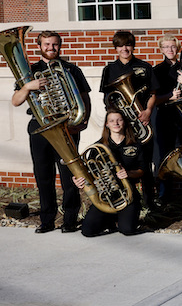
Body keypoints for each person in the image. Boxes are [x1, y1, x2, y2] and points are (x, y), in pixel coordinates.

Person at [11, 30, 91, 233]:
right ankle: (47, 220)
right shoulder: (29, 71)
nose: (51, 48)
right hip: (40, 128)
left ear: (60, 46)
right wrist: (29, 86)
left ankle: (70, 220)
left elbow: (84, 98)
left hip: (67, 127)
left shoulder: (72, 69)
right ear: (39, 46)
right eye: (46, 44)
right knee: (43, 176)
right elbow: (16, 100)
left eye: (54, 44)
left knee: (69, 177)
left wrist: (83, 121)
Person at [99, 30, 158, 208]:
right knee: (119, 161)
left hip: (141, 121)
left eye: (128, 45)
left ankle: (149, 202)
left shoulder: (145, 66)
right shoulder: (109, 69)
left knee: (145, 163)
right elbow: (107, 98)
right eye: (121, 45)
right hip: (119, 125)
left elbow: (153, 93)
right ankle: (122, 198)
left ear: (133, 46)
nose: (125, 49)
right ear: (116, 48)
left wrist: (148, 110)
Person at [72, 110, 143, 237]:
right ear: (106, 124)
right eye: (111, 121)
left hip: (128, 194)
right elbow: (87, 172)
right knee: (87, 231)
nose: (116, 123)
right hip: (105, 197)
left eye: (119, 120)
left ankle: (120, 218)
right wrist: (78, 180)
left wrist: (129, 173)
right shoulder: (98, 147)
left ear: (124, 123)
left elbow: (142, 170)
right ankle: (110, 219)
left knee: (127, 230)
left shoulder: (136, 145)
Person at [152, 35, 182, 204]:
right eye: (166, 47)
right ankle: (162, 197)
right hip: (163, 118)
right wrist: (169, 96)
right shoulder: (156, 71)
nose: (170, 50)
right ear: (161, 50)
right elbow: (152, 100)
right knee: (162, 158)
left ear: (178, 48)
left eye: (173, 46)